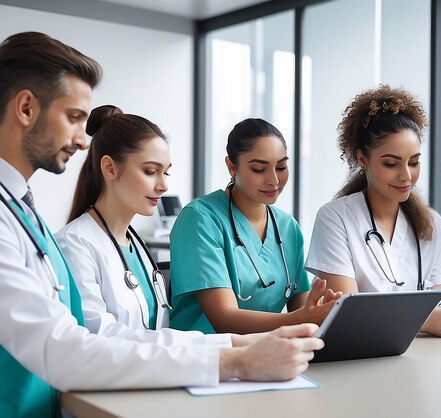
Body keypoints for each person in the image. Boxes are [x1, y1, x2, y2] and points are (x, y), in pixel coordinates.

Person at [0, 31, 322, 418]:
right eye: (73, 118)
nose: (83, 141)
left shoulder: (21, 210)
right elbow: (66, 346)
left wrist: (235, 347)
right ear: (25, 108)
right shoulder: (54, 233)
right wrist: (235, 359)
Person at [305, 85, 441, 337]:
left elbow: (437, 302)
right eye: (391, 164)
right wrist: (424, 321)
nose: (406, 176)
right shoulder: (335, 218)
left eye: (414, 162)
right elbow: (346, 311)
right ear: (362, 159)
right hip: (354, 357)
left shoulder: (432, 224)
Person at [169, 118, 342, 334]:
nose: (274, 180)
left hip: (268, 354)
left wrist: (323, 308)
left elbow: (301, 306)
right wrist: (300, 318)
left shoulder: (287, 227)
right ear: (231, 166)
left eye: (281, 167)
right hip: (207, 356)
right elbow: (224, 319)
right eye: (259, 169)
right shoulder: (200, 219)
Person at [55, 104, 178, 333]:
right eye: (151, 171)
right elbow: (99, 338)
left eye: (166, 172)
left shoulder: (135, 244)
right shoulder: (74, 244)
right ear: (110, 168)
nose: (163, 185)